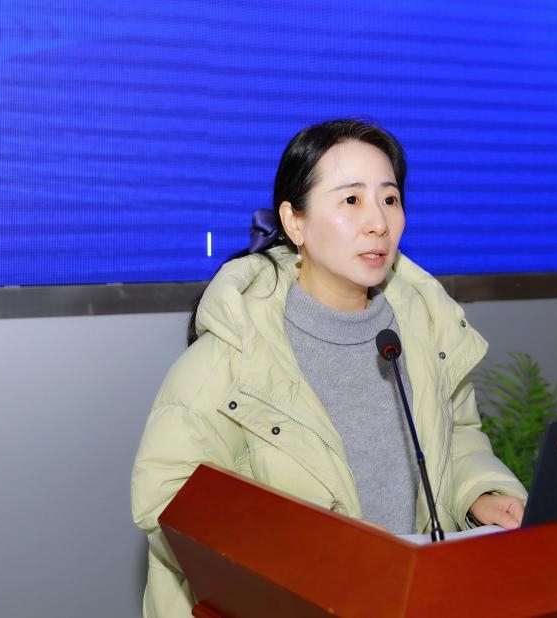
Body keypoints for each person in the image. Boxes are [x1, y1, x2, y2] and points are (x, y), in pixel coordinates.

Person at [131, 119, 528, 617]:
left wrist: (480, 494)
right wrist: (316, 555)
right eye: (351, 200)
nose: (378, 222)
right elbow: (171, 504)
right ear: (294, 222)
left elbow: (459, 437)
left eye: (390, 198)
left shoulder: (431, 335)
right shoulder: (231, 353)